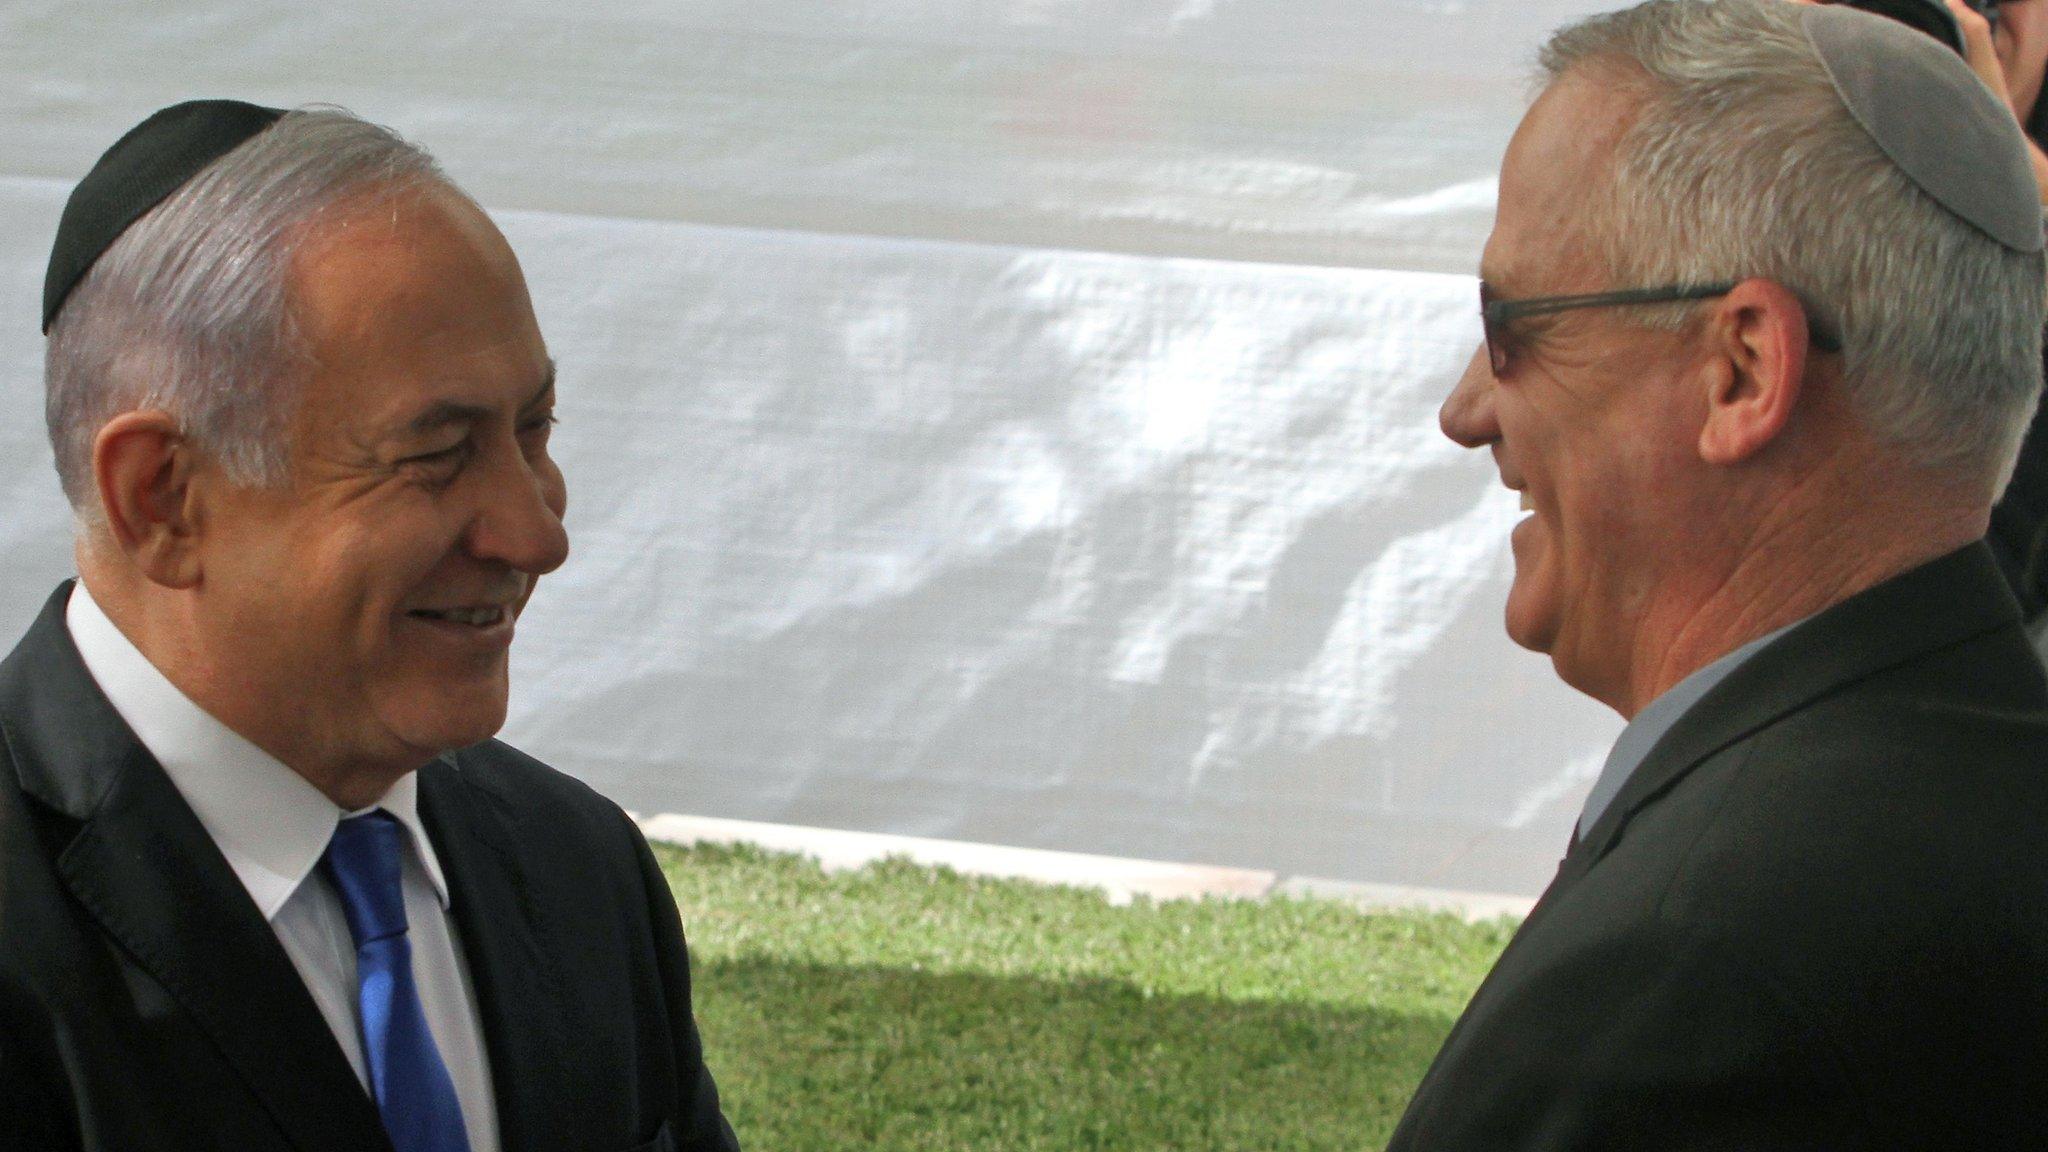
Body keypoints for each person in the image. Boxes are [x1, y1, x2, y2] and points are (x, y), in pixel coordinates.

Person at [0, 102, 739, 1152]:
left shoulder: (580, 872)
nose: (535, 534)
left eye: (533, 430)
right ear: (162, 498)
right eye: (436, 456)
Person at [1389, 1, 2048, 1146]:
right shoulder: (1984, 787)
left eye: (1511, 326)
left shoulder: (1695, 975)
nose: (1464, 412)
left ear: (1742, 371)